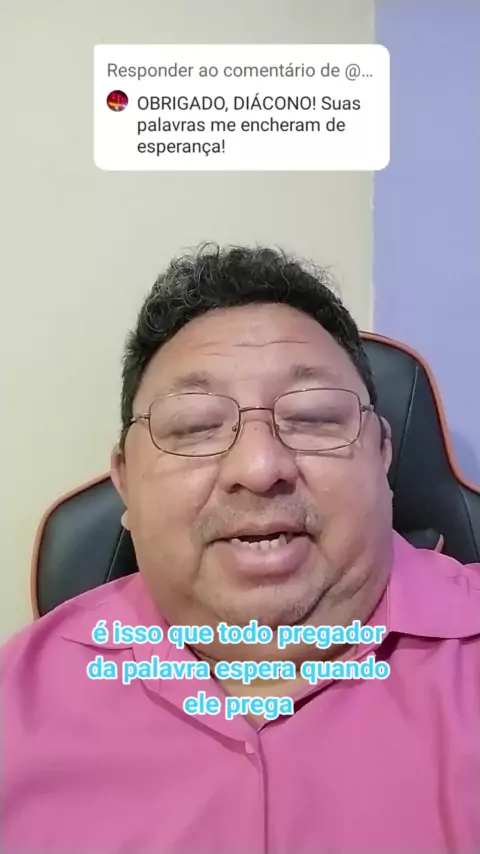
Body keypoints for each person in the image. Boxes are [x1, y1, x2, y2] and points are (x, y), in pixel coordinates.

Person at [2, 244, 480, 854]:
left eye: (313, 417)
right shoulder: (15, 706)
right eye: (195, 427)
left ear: (381, 455)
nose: (258, 467)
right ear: (125, 480)